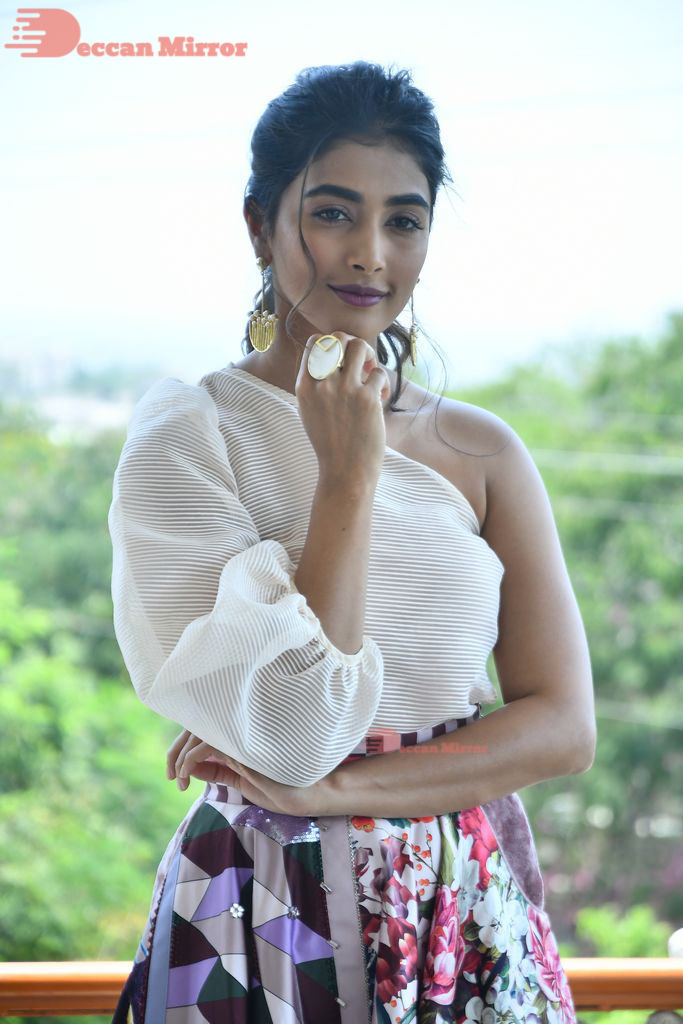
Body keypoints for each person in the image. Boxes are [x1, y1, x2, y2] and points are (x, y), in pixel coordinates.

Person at [108, 61, 596, 1024]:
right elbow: (295, 736)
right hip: (259, 897)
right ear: (260, 225)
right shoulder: (190, 438)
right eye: (332, 213)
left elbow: (562, 728)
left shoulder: (482, 450)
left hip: (451, 896)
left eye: (403, 221)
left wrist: (340, 790)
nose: (370, 254)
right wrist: (347, 477)